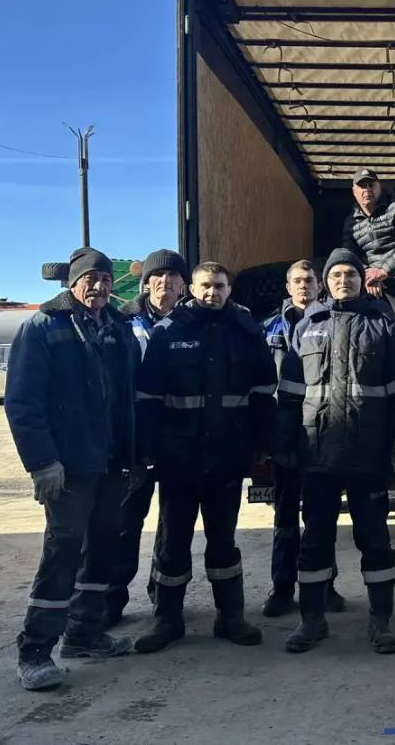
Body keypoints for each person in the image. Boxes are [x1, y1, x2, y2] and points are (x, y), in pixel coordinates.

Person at [275, 249, 395, 654]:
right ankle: (311, 620)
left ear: (362, 280)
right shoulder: (307, 326)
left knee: (375, 539)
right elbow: (290, 393)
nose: (344, 280)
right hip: (317, 454)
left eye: (351, 274)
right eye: (336, 274)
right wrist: (283, 441)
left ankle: (381, 622)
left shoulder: (385, 325)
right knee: (314, 541)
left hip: (367, 454)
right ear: (326, 281)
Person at [5, 247, 137, 690]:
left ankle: (84, 633)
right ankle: (35, 650)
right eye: (89, 279)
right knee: (63, 551)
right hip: (70, 467)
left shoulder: (118, 328)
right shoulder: (43, 328)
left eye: (105, 278)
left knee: (103, 548)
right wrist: (42, 462)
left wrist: (135, 456)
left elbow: (129, 399)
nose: (98, 286)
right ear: (73, 283)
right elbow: (23, 403)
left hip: (112, 463)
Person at [132, 262, 275, 653]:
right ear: (191, 289)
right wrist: (147, 449)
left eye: (220, 286)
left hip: (227, 456)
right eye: (206, 286)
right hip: (178, 459)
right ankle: (167, 620)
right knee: (173, 542)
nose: (212, 293)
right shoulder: (169, 331)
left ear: (229, 290)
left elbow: (264, 392)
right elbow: (147, 396)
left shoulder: (246, 331)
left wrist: (262, 445)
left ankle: (231, 618)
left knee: (223, 541)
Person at [105, 249, 190, 627]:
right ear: (146, 283)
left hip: (178, 441)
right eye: (158, 276)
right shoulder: (122, 323)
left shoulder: (192, 323)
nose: (165, 283)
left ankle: (164, 597)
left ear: (183, 286)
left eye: (174, 277)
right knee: (124, 524)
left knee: (173, 527)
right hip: (133, 443)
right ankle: (111, 600)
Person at [260, 260, 346, 617]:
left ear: (318, 285)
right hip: (283, 432)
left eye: (309, 280)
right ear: (287, 286)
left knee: (320, 515)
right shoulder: (268, 328)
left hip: (319, 433)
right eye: (296, 280)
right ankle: (281, 589)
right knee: (284, 518)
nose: (303, 286)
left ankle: (325, 587)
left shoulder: (333, 322)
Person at [342, 167, 395, 309]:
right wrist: (369, 276)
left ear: (379, 187)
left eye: (371, 185)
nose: (367, 189)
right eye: (362, 186)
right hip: (376, 284)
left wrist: (384, 272)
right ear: (354, 191)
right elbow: (349, 255)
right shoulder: (351, 223)